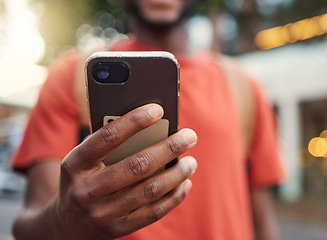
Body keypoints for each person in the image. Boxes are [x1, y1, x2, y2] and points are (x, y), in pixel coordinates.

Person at [12, 0, 285, 239]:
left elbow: (263, 223)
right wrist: (64, 222)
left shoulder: (245, 86)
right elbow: (29, 223)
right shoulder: (73, 76)